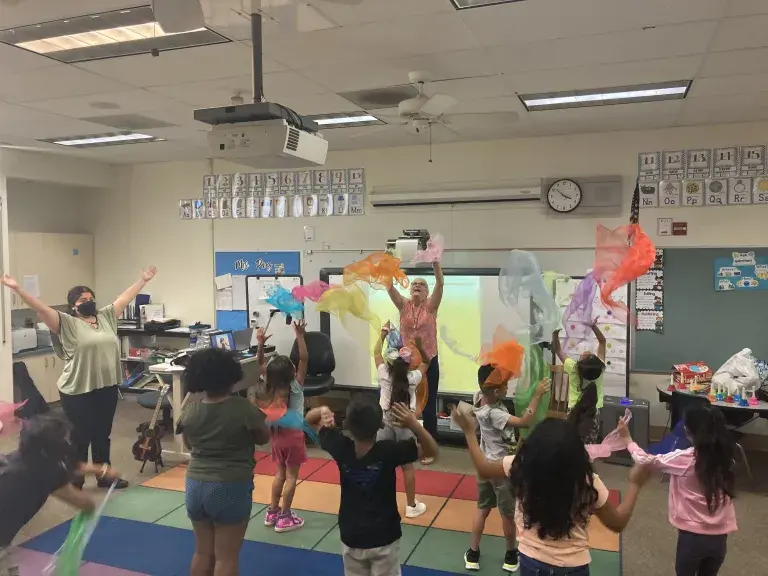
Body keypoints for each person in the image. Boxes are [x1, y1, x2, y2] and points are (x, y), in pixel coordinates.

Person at [1, 267, 157, 490]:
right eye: (83, 299)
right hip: (77, 390)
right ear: (73, 305)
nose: (89, 302)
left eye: (91, 298)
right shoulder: (66, 323)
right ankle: (76, 477)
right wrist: (17, 289)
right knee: (80, 436)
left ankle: (104, 476)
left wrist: (142, 280)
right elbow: (40, 307)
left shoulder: (105, 317)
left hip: (106, 386)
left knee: (102, 434)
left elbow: (125, 297)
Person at [452, 409, 650, 576]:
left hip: (532, 561)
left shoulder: (521, 465)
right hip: (573, 566)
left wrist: (469, 432)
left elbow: (483, 468)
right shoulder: (586, 480)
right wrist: (635, 484)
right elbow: (618, 522)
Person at [314, 396, 438, 576]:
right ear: (381, 425)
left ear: (347, 424)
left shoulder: (339, 446)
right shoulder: (389, 451)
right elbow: (432, 450)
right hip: (384, 537)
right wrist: (414, 424)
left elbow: (310, 421)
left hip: (351, 535)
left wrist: (321, 411)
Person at [178, 348, 270, 576]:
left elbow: (190, 446)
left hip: (195, 485)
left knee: (201, 552)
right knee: (226, 558)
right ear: (231, 375)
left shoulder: (190, 411)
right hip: (230, 485)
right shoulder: (243, 409)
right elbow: (263, 437)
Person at [619, 405, 737, 576]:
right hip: (720, 537)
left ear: (688, 432)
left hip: (692, 538)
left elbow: (644, 460)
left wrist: (627, 439)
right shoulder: (726, 456)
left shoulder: (684, 459)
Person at [0, 413, 123, 576]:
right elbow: (86, 503)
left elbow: (67, 467)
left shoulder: (24, 457)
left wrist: (101, 469)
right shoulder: (44, 475)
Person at [465, 366, 550, 573]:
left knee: (482, 509)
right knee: (508, 515)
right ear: (495, 391)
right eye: (504, 385)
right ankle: (511, 556)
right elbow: (523, 422)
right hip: (501, 469)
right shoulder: (495, 414)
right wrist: (537, 395)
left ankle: (472, 553)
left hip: (484, 466)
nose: (507, 387)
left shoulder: (479, 398)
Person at [387, 260, 443, 457]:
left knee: (428, 405)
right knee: (402, 401)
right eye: (414, 284)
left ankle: (429, 448)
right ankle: (403, 443)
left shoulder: (431, 306)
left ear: (427, 292)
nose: (417, 286)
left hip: (428, 361)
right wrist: (388, 263)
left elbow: (440, 283)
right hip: (407, 362)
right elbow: (388, 285)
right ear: (410, 290)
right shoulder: (403, 305)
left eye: (422, 284)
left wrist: (435, 262)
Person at [373, 324, 430, 519]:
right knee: (407, 466)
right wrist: (421, 346)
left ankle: (379, 503)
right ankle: (411, 505)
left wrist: (382, 334)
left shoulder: (383, 372)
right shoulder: (412, 377)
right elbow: (427, 362)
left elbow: (375, 352)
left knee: (381, 463)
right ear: (408, 363)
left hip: (384, 421)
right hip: (406, 422)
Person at [258, 320, 309, 533]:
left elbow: (260, 363)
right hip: (294, 436)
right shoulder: (295, 385)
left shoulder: (269, 383)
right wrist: (300, 335)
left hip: (276, 436)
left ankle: (272, 511)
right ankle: (285, 516)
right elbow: (305, 357)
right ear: (292, 371)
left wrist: (260, 343)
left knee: (279, 474)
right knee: (291, 477)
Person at [551, 325, 606, 444]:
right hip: (594, 409)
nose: (586, 352)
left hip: (574, 409)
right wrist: (593, 326)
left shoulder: (573, 368)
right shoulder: (598, 369)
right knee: (590, 441)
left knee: (571, 438)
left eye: (586, 355)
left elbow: (558, 350)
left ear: (580, 363)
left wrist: (555, 334)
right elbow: (602, 341)